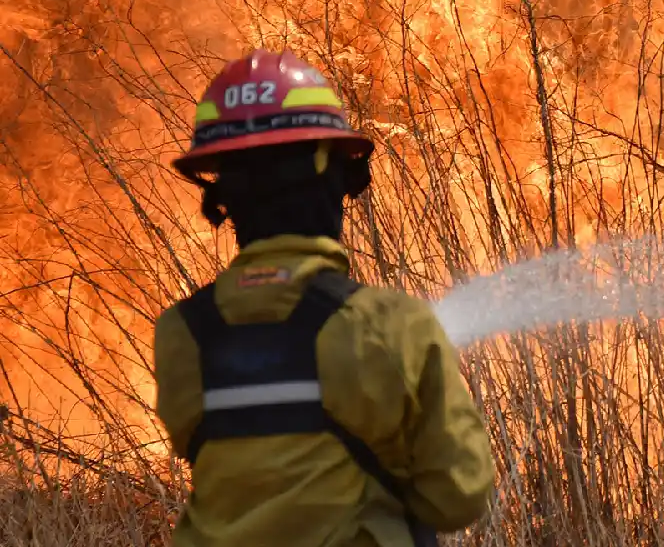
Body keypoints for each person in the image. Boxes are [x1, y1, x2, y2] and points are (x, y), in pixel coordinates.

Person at [153, 48, 495, 547]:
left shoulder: (181, 334)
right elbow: (458, 496)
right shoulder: (390, 324)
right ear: (329, 175)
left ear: (223, 194)